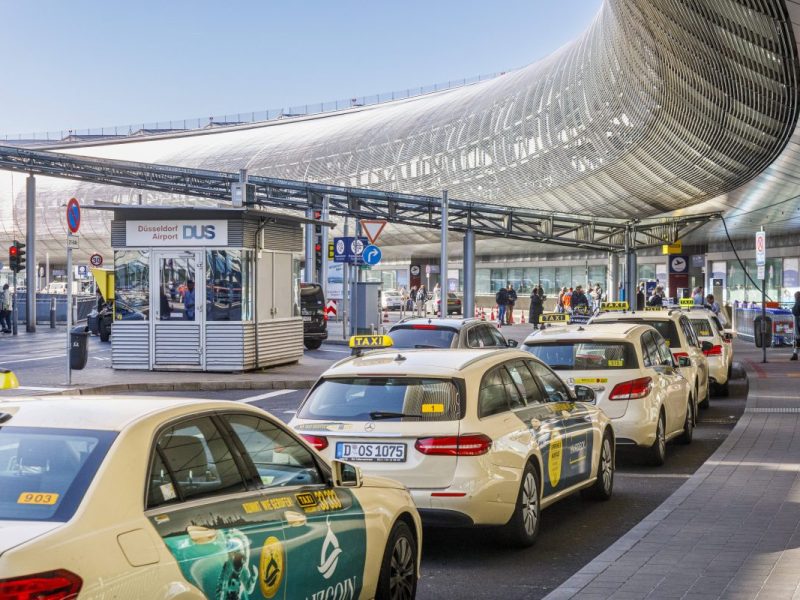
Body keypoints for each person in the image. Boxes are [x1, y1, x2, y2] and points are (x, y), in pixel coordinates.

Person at [792, 291, 800, 361]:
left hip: (798, 323)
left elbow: (794, 312)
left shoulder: (797, 303)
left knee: (797, 339)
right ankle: (795, 354)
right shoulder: (797, 303)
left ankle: (795, 354)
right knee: (797, 340)